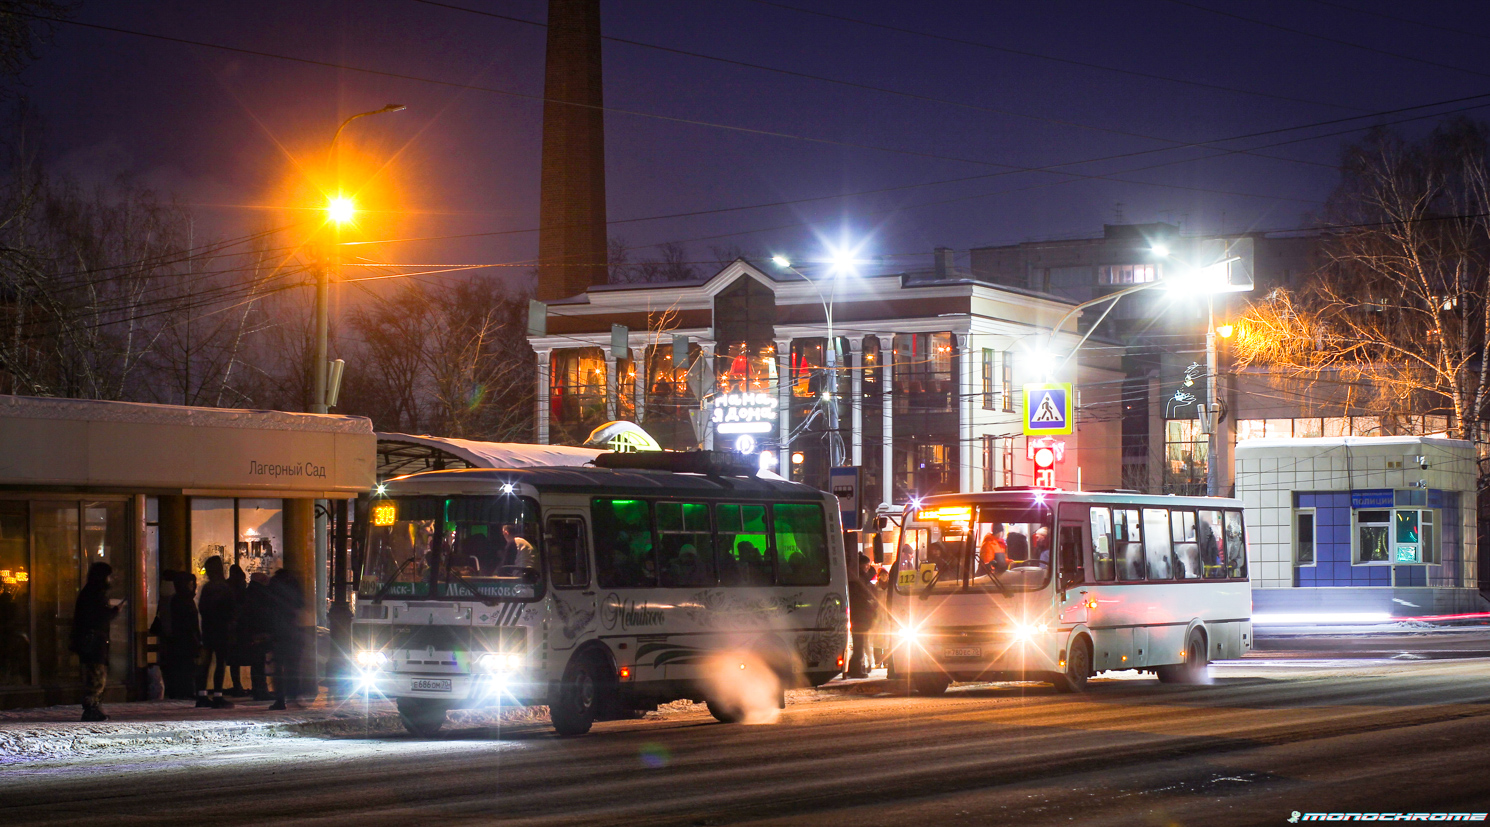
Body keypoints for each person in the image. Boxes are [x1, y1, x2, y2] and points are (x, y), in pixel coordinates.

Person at [71, 562, 121, 721]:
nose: (111, 579)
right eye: (109, 576)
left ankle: (94, 707)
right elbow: (98, 617)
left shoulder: (90, 593)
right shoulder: (95, 594)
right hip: (93, 643)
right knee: (95, 676)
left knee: (96, 675)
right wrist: (112, 612)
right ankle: (91, 708)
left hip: (92, 642)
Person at [196, 556, 235, 709]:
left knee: (205, 663)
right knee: (220, 662)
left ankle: (202, 695)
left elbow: (202, 609)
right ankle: (218, 695)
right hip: (222, 630)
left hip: (208, 630)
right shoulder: (224, 588)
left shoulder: (207, 588)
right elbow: (231, 609)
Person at [267, 569, 305, 710]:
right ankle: (293, 696)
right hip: (292, 629)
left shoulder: (274, 584)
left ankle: (280, 699)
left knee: (278, 666)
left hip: (278, 630)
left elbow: (269, 606)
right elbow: (301, 603)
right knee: (293, 666)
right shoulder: (294, 583)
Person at [165, 572, 201, 701]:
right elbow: (189, 622)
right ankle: (186, 690)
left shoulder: (180, 599)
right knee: (187, 666)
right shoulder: (183, 600)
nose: (193, 587)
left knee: (185, 665)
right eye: (191, 584)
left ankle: (184, 690)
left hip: (182, 638)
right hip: (185, 638)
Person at [239, 571, 274, 700]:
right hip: (258, 632)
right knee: (259, 662)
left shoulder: (249, 593)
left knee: (257, 662)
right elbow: (261, 614)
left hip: (252, 632)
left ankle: (258, 689)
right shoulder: (260, 595)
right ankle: (261, 690)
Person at [846, 554, 879, 679]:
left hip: (860, 614)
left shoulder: (858, 577)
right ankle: (856, 668)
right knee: (860, 642)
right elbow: (866, 593)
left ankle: (854, 666)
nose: (867, 567)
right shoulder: (860, 578)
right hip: (861, 615)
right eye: (866, 564)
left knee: (859, 642)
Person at [225, 563, 248, 697]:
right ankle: (238, 685)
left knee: (234, 660)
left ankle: (236, 685)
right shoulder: (241, 588)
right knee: (239, 658)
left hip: (231, 628)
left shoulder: (228, 587)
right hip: (240, 628)